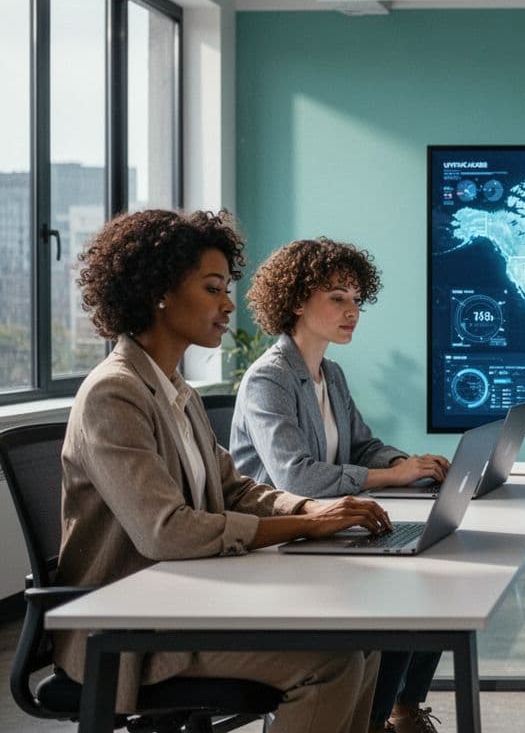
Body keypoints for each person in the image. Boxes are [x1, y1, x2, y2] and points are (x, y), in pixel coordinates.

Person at [56, 209, 389, 733]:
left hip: (185, 600)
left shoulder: (176, 390)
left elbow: (233, 487)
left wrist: (310, 507)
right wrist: (305, 524)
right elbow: (166, 529)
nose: (229, 304)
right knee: (333, 662)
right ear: (159, 292)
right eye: (213, 289)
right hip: (131, 630)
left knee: (368, 640)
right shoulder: (113, 392)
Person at [231, 238, 448, 733]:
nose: (352, 311)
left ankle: (401, 714)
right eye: (337, 298)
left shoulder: (331, 373)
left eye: (356, 299)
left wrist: (408, 462)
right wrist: (393, 476)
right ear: (296, 302)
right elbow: (296, 475)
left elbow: (363, 446)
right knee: (402, 600)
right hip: (281, 540)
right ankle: (374, 721)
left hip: (331, 532)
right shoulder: (269, 379)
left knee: (434, 588)